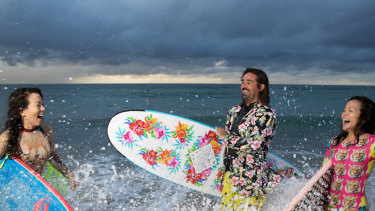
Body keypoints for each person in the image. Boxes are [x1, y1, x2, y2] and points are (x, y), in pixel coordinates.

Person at [216, 67, 281, 210]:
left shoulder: (266, 114)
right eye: (243, 82)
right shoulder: (233, 111)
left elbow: (255, 145)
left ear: (261, 87)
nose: (244, 86)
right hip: (230, 176)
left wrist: (227, 138)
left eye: (249, 82)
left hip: (251, 182)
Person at [0, 87, 77, 190]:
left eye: (43, 105)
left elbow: (52, 157)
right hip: (15, 194)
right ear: (22, 111)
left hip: (38, 191)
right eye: (38, 105)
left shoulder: (45, 131)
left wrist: (69, 175)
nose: (43, 108)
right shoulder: (7, 138)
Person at [322, 96, 375, 211]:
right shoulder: (334, 142)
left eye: (350, 111)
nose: (344, 114)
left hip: (356, 208)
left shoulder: (372, 143)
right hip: (330, 207)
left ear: (363, 119)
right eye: (344, 110)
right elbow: (324, 177)